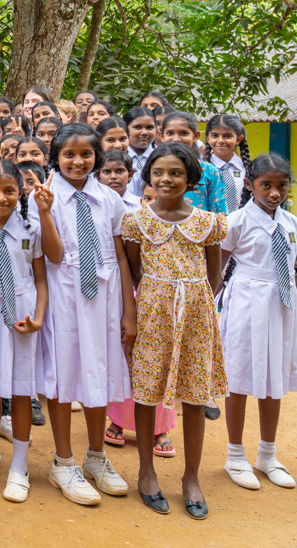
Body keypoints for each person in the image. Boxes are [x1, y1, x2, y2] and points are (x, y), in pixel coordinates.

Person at [122, 142, 226, 520]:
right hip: (152, 309)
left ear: (191, 178)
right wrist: (151, 302)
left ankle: (191, 477)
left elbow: (213, 274)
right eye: (159, 173)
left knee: (195, 396)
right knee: (147, 392)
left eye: (176, 173)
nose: (167, 179)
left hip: (197, 312)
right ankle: (146, 472)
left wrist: (194, 302)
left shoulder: (207, 222)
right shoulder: (137, 222)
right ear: (148, 176)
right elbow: (134, 272)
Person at [33, 122, 135, 507]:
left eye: (86, 154)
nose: (77, 161)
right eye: (69, 154)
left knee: (100, 371)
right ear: (54, 157)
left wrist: (129, 311)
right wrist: (45, 212)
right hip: (63, 293)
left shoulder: (109, 198)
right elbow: (54, 256)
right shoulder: (44, 196)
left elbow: (122, 256)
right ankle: (63, 461)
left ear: (97, 156)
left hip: (104, 295)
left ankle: (96, 456)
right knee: (65, 373)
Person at [219, 153, 297, 491]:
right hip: (247, 301)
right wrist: (209, 303)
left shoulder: (291, 223)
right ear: (250, 185)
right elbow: (219, 266)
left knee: (274, 376)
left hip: (281, 305)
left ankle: (267, 453)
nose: (275, 193)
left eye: (283, 186)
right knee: (238, 375)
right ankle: (235, 454)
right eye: (267, 185)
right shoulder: (236, 221)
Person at [0, 161, 47, 502]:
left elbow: (41, 279)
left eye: (9, 191)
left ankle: (19, 463)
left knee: (20, 388)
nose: (1, 198)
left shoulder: (31, 229)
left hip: (23, 312)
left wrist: (39, 318)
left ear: (21, 191)